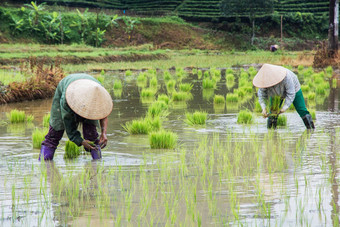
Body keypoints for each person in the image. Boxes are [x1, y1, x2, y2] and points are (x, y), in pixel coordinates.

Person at [39, 73, 113, 161]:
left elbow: (104, 113)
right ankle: (44, 164)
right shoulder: (66, 98)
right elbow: (70, 128)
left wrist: (104, 133)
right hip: (67, 89)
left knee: (92, 136)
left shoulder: (100, 94)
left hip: (90, 88)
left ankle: (98, 165)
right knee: (54, 135)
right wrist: (81, 141)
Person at [253, 63, 315, 129]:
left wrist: (284, 108)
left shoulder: (286, 77)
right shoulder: (263, 81)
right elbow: (262, 96)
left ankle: (311, 130)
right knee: (273, 113)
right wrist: (264, 108)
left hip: (294, 89)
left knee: (302, 110)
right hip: (276, 95)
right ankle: (272, 135)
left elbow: (291, 93)